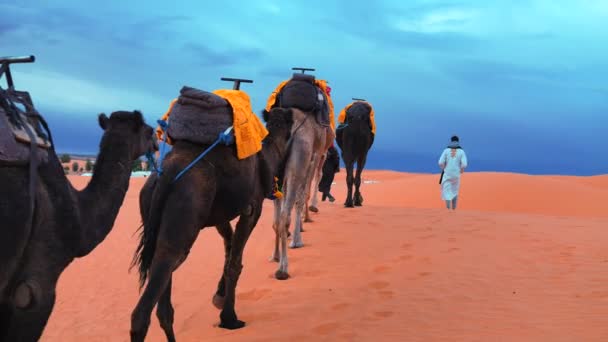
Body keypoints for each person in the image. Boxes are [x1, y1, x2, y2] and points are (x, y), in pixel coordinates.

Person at [438, 135, 468, 210]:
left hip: (447, 174)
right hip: (456, 174)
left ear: (451, 141)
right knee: (455, 190)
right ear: (458, 141)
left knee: (447, 190)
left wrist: (444, 168)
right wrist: (461, 170)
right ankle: (454, 209)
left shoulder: (446, 151)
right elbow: (464, 164)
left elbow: (440, 162)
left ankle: (448, 209)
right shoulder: (461, 151)